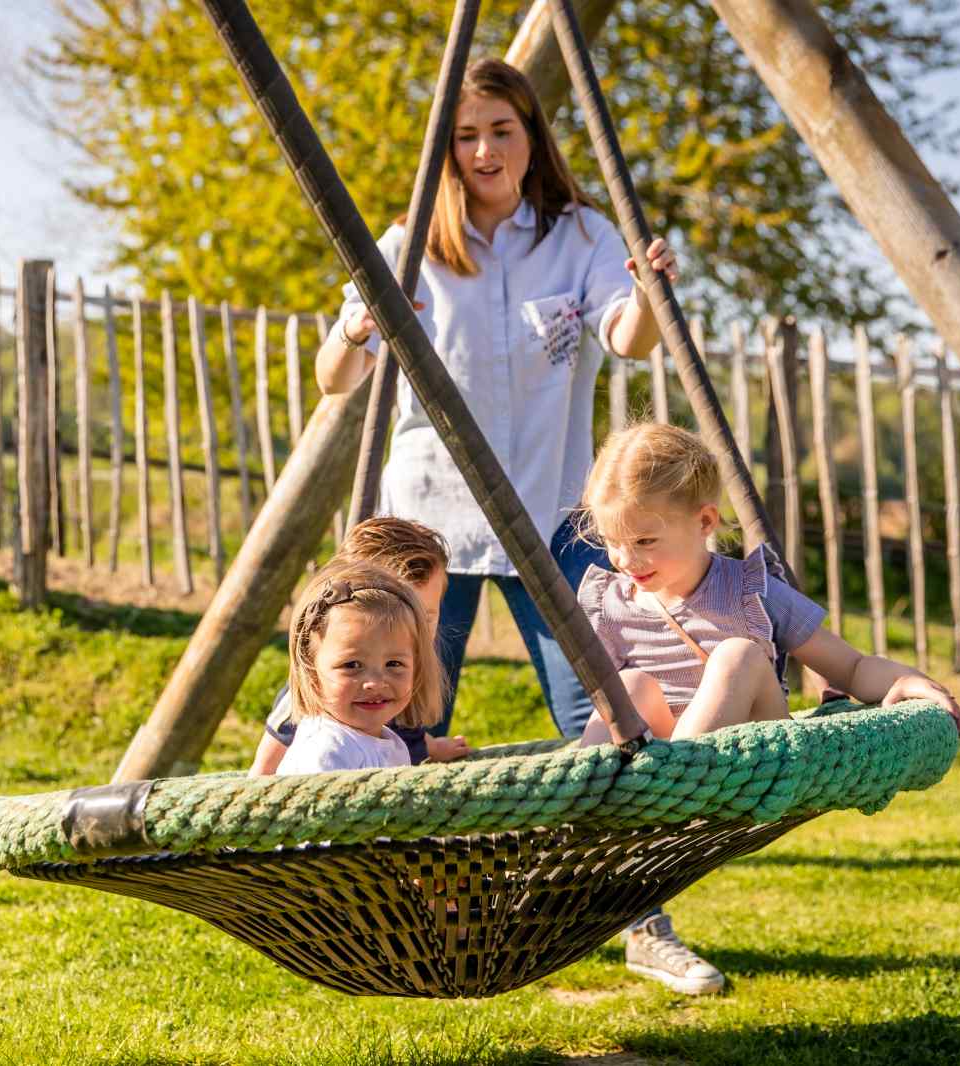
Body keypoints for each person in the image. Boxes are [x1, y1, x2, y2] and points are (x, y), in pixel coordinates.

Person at [313, 56, 711, 991]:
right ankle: (403, 916)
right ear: (443, 152)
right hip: (425, 524)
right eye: (465, 134)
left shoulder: (577, 236)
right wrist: (363, 323)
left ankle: (639, 921)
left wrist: (651, 296)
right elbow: (336, 378)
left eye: (502, 129)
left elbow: (625, 336)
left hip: (553, 516)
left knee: (613, 717)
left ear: (531, 137)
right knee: (398, 721)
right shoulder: (410, 242)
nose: (485, 149)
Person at [570, 422, 960, 990]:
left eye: (646, 541)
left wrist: (908, 680)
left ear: (705, 522)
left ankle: (673, 781)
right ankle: (576, 826)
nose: (627, 558)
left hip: (750, 756)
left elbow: (850, 668)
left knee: (736, 654)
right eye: (613, 541)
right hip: (658, 766)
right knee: (628, 687)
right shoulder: (611, 602)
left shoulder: (748, 589)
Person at [249, 516, 470, 776]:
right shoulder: (323, 732)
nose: (407, 632)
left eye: (425, 617)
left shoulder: (395, 668)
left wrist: (432, 747)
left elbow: (404, 729)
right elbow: (265, 764)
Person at [275, 561, 445, 776]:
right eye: (352, 665)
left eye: (394, 664)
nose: (375, 683)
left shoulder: (389, 741)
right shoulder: (327, 752)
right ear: (311, 671)